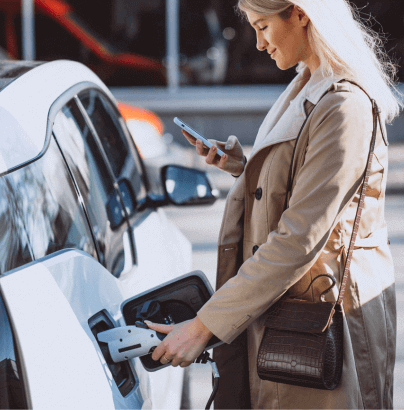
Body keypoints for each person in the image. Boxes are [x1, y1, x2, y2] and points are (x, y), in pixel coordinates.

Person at [146, 0, 400, 408]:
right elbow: (302, 185)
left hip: (322, 323)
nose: (259, 44)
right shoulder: (309, 81)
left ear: (301, 14)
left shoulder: (344, 105)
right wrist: (244, 168)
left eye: (263, 27)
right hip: (293, 313)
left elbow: (300, 238)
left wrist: (204, 326)